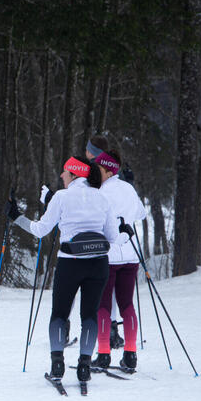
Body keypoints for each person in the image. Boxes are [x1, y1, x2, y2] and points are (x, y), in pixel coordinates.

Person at [6, 156, 116, 387]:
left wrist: (16, 217)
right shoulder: (102, 198)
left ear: (74, 174)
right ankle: (84, 366)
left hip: (70, 262)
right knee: (89, 315)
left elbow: (40, 230)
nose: (61, 177)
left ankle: (57, 363)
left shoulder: (61, 197)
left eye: (64, 173)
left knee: (59, 314)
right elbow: (112, 237)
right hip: (98, 264)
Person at [93, 148, 147, 372]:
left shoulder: (101, 192)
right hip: (131, 254)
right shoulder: (128, 189)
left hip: (108, 254)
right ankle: (131, 354)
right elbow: (142, 214)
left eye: (98, 169)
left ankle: (104, 354)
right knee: (126, 304)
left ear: (107, 170)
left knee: (103, 305)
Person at [85, 134, 124, 350]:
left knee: (102, 294)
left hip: (102, 243)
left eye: (89, 149)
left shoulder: (94, 172)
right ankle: (112, 332)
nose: (86, 152)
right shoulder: (112, 174)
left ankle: (104, 338)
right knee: (111, 294)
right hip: (116, 245)